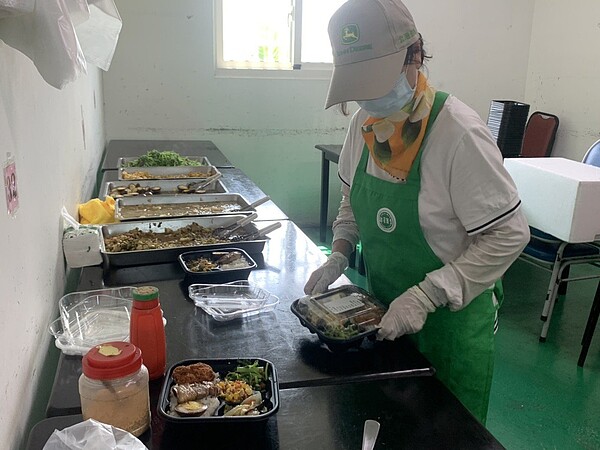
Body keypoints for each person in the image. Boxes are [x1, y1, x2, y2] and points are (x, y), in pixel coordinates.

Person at [304, 0, 530, 424]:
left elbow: (509, 234)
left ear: (414, 55)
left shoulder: (458, 134)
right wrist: (339, 252)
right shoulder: (366, 125)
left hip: (453, 328)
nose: (369, 98)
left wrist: (428, 295)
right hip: (384, 314)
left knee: (446, 434)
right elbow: (352, 203)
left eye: (376, 80)